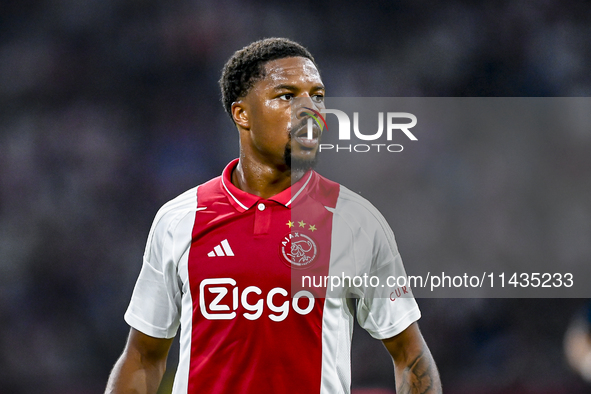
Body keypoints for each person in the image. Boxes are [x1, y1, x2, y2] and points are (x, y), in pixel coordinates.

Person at [105, 37, 441, 394]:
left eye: (318, 95)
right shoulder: (178, 219)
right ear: (242, 114)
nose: (310, 108)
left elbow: (410, 355)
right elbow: (143, 357)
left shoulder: (356, 221)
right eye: (287, 95)